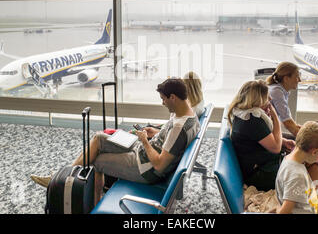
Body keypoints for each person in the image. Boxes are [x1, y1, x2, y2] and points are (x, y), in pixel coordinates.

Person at [31, 78, 200, 207]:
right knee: (99, 139)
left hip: (145, 167)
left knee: (97, 161)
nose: (162, 103)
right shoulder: (189, 115)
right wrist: (153, 133)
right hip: (143, 151)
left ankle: (89, 202)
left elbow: (160, 166)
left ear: (173, 97)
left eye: (164, 99)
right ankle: (60, 178)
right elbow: (170, 139)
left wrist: (145, 141)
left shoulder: (180, 127)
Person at [228, 80, 296, 191]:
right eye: (267, 97)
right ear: (258, 100)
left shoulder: (242, 112)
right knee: (299, 165)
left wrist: (283, 141)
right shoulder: (252, 119)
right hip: (258, 174)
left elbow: (259, 137)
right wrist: (275, 118)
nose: (270, 100)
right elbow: (276, 148)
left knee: (296, 143)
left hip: (257, 163)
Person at [275, 121, 318, 214]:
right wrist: (276, 209)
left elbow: (310, 199)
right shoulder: (297, 176)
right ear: (315, 152)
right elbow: (283, 212)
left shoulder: (288, 160)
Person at [266, 62, 302, 139]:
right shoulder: (277, 92)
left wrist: (297, 127)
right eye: (297, 77)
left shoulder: (277, 90)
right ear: (286, 79)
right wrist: (307, 138)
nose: (299, 80)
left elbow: (287, 120)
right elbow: (287, 123)